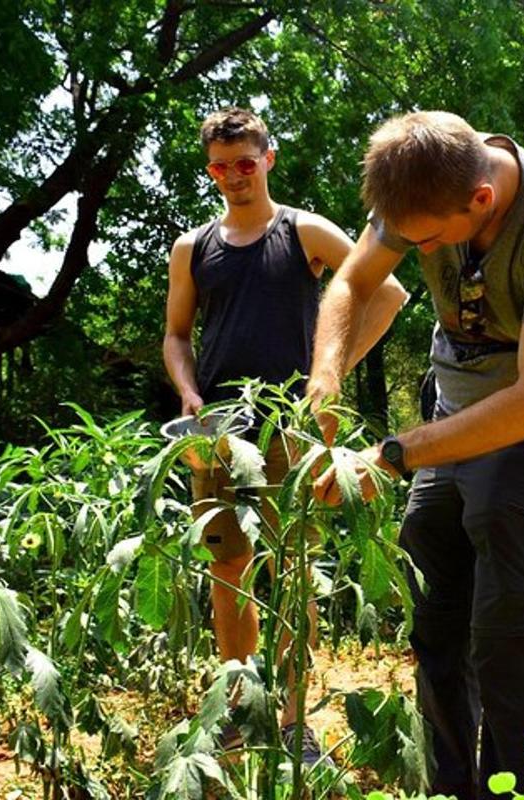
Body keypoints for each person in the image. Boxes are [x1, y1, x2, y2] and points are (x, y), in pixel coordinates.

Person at [308, 111, 524, 799]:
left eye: (431, 240)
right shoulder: (417, 189)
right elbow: (351, 283)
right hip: (450, 414)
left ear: (481, 200)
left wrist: (389, 455)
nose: (420, 249)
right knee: (436, 617)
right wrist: (326, 377)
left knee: (508, 633)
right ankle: (451, 789)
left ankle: (517, 791)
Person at [163, 107, 408, 764]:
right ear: (210, 169)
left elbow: (386, 295)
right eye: (220, 166)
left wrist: (330, 373)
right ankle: (239, 713)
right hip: (216, 427)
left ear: (267, 159)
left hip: (290, 426)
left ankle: (295, 724)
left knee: (291, 569)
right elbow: (176, 335)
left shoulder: (303, 231)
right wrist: (186, 389)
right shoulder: (194, 248)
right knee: (227, 567)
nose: (234, 177)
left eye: (245, 162)